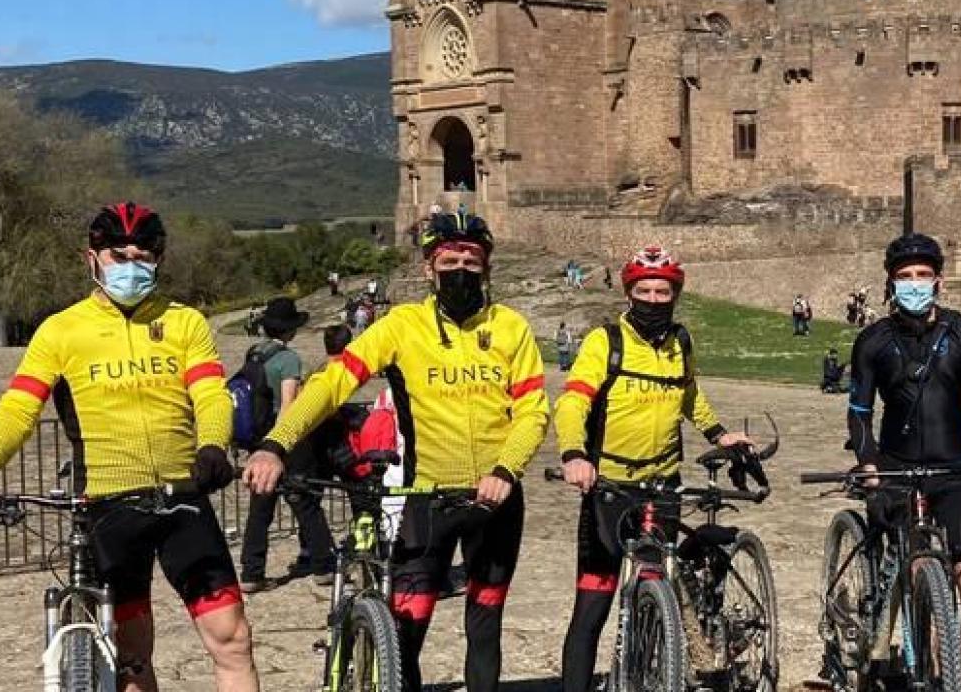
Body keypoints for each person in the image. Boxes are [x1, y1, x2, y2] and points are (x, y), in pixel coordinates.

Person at [0, 201, 260, 692]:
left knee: (232, 639)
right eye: (119, 255)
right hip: (106, 503)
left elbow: (208, 393)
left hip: (182, 493)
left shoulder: (186, 323)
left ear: (159, 259)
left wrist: (212, 447)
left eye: (144, 255)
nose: (132, 265)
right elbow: (19, 409)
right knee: (132, 656)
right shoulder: (61, 330)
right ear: (92, 259)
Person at [242, 211, 546, 692]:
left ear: (486, 267)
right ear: (429, 267)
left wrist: (507, 469)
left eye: (472, 259)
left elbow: (532, 411)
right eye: (449, 259)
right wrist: (276, 443)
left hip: (496, 499)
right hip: (426, 499)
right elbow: (332, 383)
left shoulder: (511, 327)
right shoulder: (403, 325)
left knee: (484, 629)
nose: (461, 268)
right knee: (405, 634)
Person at [554, 245, 756, 692]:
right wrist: (573, 454)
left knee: (656, 584)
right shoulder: (605, 341)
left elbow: (689, 395)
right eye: (643, 290)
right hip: (609, 483)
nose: (652, 299)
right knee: (593, 602)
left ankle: (650, 677)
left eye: (662, 291)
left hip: (662, 481)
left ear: (674, 295)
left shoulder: (680, 342)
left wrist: (719, 434)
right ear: (629, 293)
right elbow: (573, 401)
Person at [846, 233, 961, 692]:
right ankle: (906, 657)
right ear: (890, 285)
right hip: (896, 470)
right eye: (904, 277)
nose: (914, 283)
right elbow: (860, 414)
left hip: (956, 473)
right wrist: (869, 468)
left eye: (923, 275)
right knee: (913, 583)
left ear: (939, 281)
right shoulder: (872, 341)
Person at [237, 297, 336, 592]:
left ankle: (252, 572)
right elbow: (289, 403)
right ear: (290, 330)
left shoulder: (254, 353)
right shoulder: (288, 359)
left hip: (258, 439)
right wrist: (281, 442)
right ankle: (322, 565)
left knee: (260, 507)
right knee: (304, 501)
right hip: (282, 440)